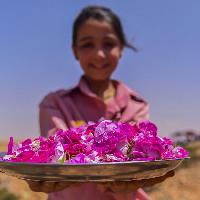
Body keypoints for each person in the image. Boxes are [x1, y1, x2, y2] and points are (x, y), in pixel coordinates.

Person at [28, 5, 174, 200]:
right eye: (88, 44)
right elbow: (59, 156)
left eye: (109, 44)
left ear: (121, 49)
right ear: (75, 51)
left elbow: (135, 158)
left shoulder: (136, 105)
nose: (99, 54)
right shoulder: (54, 104)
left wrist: (140, 174)